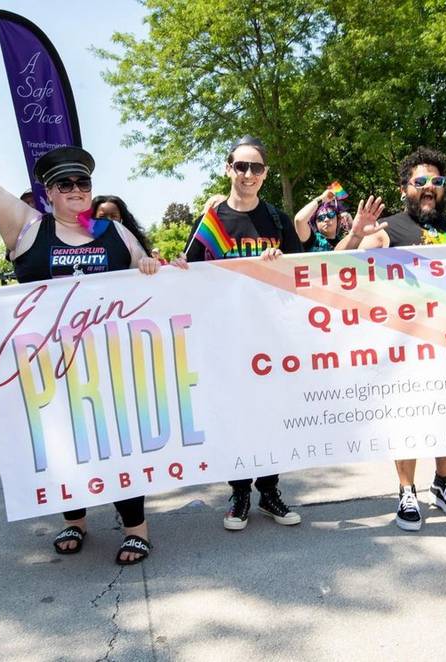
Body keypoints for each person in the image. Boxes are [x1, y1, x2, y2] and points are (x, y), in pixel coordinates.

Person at [0, 121, 163, 565]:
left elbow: (148, 266)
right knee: (62, 444)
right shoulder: (28, 227)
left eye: (81, 182)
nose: (74, 189)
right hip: (46, 366)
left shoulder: (112, 233)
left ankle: (135, 528)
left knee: (118, 442)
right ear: (48, 192)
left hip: (106, 363)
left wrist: (150, 265)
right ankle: (75, 519)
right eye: (63, 183)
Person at [336, 146, 446, 531]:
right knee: (408, 417)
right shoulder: (388, 230)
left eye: (437, 181)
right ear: (404, 188)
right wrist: (354, 236)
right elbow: (337, 265)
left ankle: (444, 483)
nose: (429, 187)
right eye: (420, 181)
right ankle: (406, 490)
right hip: (404, 345)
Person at [184, 135, 304, 531]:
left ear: (265, 174)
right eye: (241, 166)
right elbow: (188, 272)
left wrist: (279, 263)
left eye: (256, 168)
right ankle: (239, 494)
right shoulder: (212, 221)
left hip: (270, 337)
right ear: (228, 168)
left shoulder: (277, 220)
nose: (248, 174)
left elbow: (301, 277)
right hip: (227, 339)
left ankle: (269, 492)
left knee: (270, 414)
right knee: (235, 416)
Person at [91, 195, 155, 258]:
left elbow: (141, 261)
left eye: (113, 216)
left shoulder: (130, 244)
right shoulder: (86, 243)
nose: (109, 221)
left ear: (121, 219)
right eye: (102, 216)